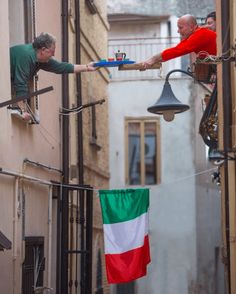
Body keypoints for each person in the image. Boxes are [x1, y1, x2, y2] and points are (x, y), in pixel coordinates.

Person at [10, 32, 96, 120]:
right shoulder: (26, 56)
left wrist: (86, 67)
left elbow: (61, 67)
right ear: (43, 50)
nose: (53, 55)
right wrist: (22, 111)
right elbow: (21, 84)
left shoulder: (40, 59)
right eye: (52, 52)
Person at [140, 14, 216, 69]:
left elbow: (176, 51)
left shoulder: (199, 35)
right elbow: (176, 50)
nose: (178, 31)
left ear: (192, 27)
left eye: (180, 28)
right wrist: (151, 61)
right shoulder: (196, 34)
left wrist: (153, 59)